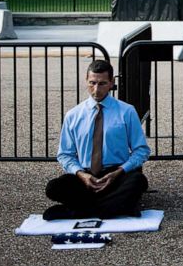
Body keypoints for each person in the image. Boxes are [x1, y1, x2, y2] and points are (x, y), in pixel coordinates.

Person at [43, 59, 150, 220]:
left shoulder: (126, 111)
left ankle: (80, 210)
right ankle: (112, 207)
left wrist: (119, 171)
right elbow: (65, 154)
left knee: (138, 181)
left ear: (111, 83)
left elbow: (141, 150)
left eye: (102, 83)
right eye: (92, 83)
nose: (96, 89)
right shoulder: (74, 115)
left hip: (116, 174)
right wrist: (81, 174)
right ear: (86, 81)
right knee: (54, 187)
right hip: (86, 175)